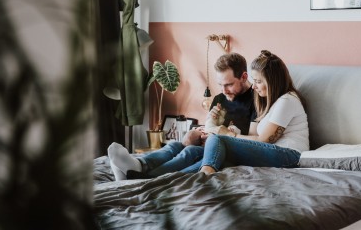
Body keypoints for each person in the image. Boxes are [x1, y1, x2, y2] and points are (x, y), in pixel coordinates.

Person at [108, 52, 257, 180]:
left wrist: (221, 134)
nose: (224, 91)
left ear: (244, 77)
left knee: (190, 152)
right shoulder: (219, 99)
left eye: (229, 84)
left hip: (226, 151)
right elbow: (210, 126)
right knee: (174, 145)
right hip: (207, 141)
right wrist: (196, 135)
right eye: (220, 85)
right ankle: (139, 165)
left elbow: (251, 142)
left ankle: (143, 178)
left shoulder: (256, 101)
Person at [199, 50, 309, 175]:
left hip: (290, 155)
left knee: (217, 140)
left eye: (258, 81)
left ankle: (203, 178)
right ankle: (186, 176)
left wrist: (228, 134)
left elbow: (263, 141)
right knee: (208, 154)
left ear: (272, 81)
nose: (253, 86)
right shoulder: (274, 103)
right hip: (276, 153)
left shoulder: (287, 100)